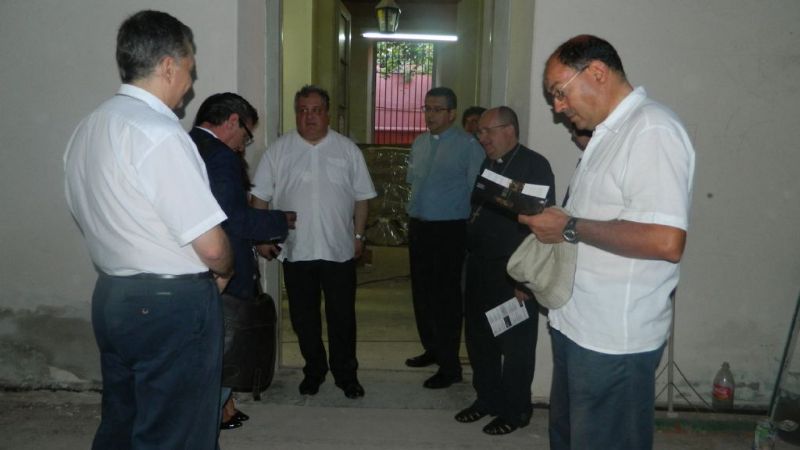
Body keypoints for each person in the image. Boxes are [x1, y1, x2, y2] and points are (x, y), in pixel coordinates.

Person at [63, 10, 233, 450]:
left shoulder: (89, 127)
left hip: (112, 297)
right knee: (176, 433)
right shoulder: (159, 133)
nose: (190, 84)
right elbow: (212, 247)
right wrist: (225, 269)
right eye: (189, 70)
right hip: (169, 306)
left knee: (123, 423)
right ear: (168, 66)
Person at [520, 34, 695, 449]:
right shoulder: (606, 135)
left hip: (612, 340)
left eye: (560, 92)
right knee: (571, 438)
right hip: (576, 325)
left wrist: (569, 227)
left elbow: (666, 241)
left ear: (597, 72)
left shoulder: (652, 130)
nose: (558, 107)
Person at [251, 85, 376, 399]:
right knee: (303, 319)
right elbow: (260, 196)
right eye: (302, 110)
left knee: (342, 318)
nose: (309, 117)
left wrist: (358, 236)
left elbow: (362, 198)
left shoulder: (347, 150)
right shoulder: (279, 150)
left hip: (339, 249)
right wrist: (262, 236)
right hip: (297, 250)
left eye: (316, 110)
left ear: (327, 114)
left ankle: (346, 375)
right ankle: (314, 370)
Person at [190, 93, 296, 430]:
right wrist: (278, 221)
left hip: (188, 263)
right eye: (246, 136)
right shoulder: (220, 156)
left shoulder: (186, 144)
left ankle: (221, 408)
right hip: (222, 265)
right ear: (233, 121)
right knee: (226, 344)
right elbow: (232, 219)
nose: (243, 145)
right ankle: (209, 417)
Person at [456, 106, 555, 435]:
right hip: (480, 268)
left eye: (488, 131)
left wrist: (524, 279)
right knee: (480, 339)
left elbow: (539, 226)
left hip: (512, 276)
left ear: (509, 130)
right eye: (479, 132)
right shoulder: (490, 163)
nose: (481, 138)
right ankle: (487, 400)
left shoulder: (534, 166)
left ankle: (516, 410)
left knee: (514, 346)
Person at [405, 87, 485, 389]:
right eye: (427, 108)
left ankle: (450, 366)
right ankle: (433, 349)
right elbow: (413, 182)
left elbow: (477, 193)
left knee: (446, 299)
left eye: (437, 109)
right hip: (420, 227)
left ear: (451, 113)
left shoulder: (468, 146)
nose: (430, 114)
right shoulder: (419, 143)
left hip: (449, 230)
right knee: (422, 294)